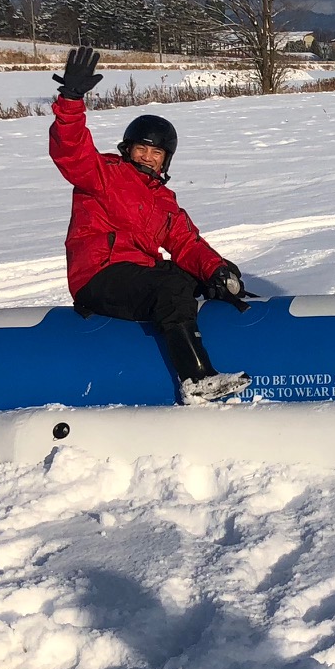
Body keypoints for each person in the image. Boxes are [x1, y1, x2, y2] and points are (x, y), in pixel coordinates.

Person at [48, 45, 251, 403]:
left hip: (136, 276)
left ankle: (207, 341)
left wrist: (217, 269)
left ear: (165, 160)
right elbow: (71, 150)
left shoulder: (163, 201)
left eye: (156, 152)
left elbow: (187, 243)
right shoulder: (103, 174)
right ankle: (196, 379)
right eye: (141, 148)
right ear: (127, 149)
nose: (148, 156)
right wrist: (70, 101)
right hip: (99, 275)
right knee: (171, 281)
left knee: (191, 275)